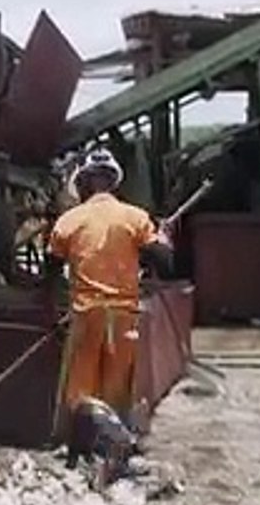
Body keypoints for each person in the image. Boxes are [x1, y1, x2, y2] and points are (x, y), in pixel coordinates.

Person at [46, 148, 174, 436]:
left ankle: (77, 444)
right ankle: (115, 446)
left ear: (83, 183)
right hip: (124, 318)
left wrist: (52, 314)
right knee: (117, 393)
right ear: (114, 182)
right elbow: (165, 264)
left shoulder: (69, 221)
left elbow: (50, 272)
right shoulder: (135, 217)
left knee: (80, 392)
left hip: (86, 316)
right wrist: (164, 240)